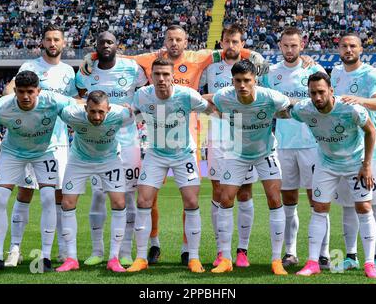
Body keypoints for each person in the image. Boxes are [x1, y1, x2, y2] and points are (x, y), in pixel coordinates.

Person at [80, 24, 271, 266]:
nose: (173, 43)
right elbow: (121, 55)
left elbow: (230, 51)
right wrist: (94, 55)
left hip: (188, 137)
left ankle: (188, 250)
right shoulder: (151, 60)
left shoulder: (199, 57)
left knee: (192, 199)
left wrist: (252, 54)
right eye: (169, 39)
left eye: (178, 39)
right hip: (156, 139)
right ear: (164, 41)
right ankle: (153, 244)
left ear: (186, 41)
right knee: (149, 196)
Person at [127, 58, 217, 273]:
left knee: (192, 200)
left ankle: (193, 257)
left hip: (183, 154)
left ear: (172, 76)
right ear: (151, 76)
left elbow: (209, 107)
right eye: (157, 74)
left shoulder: (186, 95)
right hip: (156, 154)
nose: (161, 79)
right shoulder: (142, 95)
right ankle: (140, 257)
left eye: (166, 74)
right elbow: (132, 112)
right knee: (143, 199)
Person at [0, 70, 76, 273]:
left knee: (49, 197)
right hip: (13, 153)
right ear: (14, 91)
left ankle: (46, 258)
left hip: (44, 152)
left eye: (30, 92)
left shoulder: (52, 100)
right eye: (21, 92)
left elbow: (80, 106)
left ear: (38, 91)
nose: (25, 96)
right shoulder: (2, 107)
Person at [292, 72, 376, 279]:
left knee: (364, 207)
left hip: (355, 163)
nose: (317, 97)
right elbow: (286, 110)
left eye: (321, 92)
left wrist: (366, 165)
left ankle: (370, 264)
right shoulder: (304, 109)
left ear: (331, 91)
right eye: (313, 93)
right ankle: (313, 262)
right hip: (326, 164)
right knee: (319, 208)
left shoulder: (351, 108)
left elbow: (371, 132)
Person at [3, 24, 77, 266]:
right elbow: (10, 89)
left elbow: (74, 101)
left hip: (58, 142)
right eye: (48, 39)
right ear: (42, 42)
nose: (52, 43)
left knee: (59, 195)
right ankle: (15, 248)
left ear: (63, 43)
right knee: (24, 192)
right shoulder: (30, 67)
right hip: (29, 141)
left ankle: (63, 250)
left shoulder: (68, 72)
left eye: (57, 39)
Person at [207, 60, 290, 275]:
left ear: (255, 81)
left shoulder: (270, 97)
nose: (242, 85)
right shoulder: (223, 96)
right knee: (225, 199)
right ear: (232, 81)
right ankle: (225, 258)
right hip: (236, 154)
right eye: (238, 81)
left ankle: (276, 260)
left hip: (266, 153)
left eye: (247, 80)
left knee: (274, 198)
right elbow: (208, 101)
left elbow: (289, 107)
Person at [75, 31, 148, 267]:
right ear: (95, 46)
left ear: (118, 45)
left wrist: (135, 110)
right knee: (98, 195)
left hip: (128, 140)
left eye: (110, 42)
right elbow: (80, 97)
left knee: (127, 196)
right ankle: (98, 250)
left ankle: (125, 250)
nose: (106, 45)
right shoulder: (88, 69)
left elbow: (145, 94)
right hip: (99, 142)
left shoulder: (132, 68)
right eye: (101, 42)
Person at [261, 27, 330, 269]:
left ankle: (323, 253)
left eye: (294, 45)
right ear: (279, 46)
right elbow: (264, 100)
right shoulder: (270, 73)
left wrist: (291, 105)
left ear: (302, 45)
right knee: (288, 200)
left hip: (312, 144)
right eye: (285, 45)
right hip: (283, 145)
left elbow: (326, 102)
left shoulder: (314, 69)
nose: (290, 50)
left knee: (317, 201)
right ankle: (290, 252)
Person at [331, 33, 376, 274]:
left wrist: (359, 100)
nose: (348, 49)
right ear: (339, 49)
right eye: (344, 46)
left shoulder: (371, 73)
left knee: (374, 204)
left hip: (370, 147)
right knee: (348, 205)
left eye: (353, 46)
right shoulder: (334, 73)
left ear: (360, 49)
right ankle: (351, 256)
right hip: (344, 149)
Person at [55, 91, 134, 273]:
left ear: (108, 109)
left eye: (101, 112)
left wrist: (130, 110)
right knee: (67, 203)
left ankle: (114, 258)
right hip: (79, 160)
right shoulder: (71, 114)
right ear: (85, 108)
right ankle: (71, 258)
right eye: (92, 112)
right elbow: (56, 107)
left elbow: (136, 112)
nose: (97, 116)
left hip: (108, 160)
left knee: (119, 202)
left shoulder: (120, 114)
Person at [200, 24, 258, 268]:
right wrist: (212, 107)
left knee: (244, 192)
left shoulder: (253, 67)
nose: (231, 46)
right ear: (221, 43)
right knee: (218, 192)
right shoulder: (210, 68)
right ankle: (221, 250)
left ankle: (242, 251)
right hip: (217, 136)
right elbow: (197, 95)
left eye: (236, 41)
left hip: (245, 137)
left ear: (242, 44)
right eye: (227, 41)